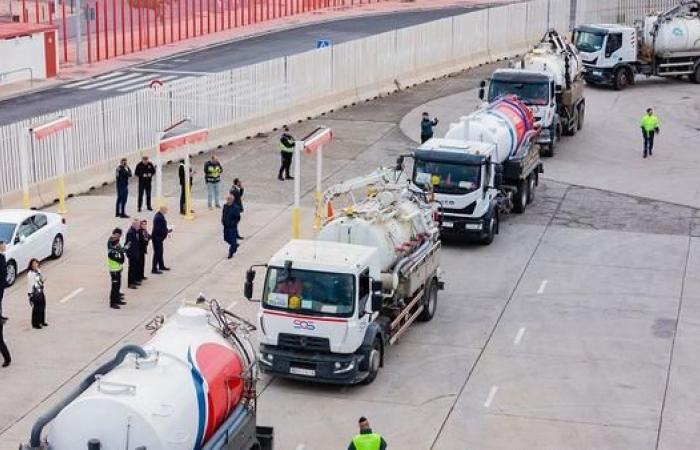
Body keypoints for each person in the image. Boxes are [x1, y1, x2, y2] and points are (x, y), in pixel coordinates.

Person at [107, 228, 127, 309]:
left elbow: (121, 254)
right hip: (114, 270)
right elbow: (120, 259)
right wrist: (120, 252)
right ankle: (113, 302)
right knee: (114, 287)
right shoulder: (112, 251)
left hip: (118, 269)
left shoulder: (115, 248)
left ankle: (117, 299)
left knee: (118, 285)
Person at [27, 259, 47, 329]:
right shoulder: (30, 274)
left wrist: (42, 281)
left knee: (42, 305)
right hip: (34, 292)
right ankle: (35, 323)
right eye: (34, 264)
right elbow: (31, 284)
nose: (35, 265)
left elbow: (40, 279)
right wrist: (30, 295)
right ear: (31, 265)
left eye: (36, 263)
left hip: (40, 290)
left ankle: (42, 321)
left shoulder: (38, 270)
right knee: (36, 308)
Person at [151, 205, 171, 274]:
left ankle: (161, 265)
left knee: (160, 252)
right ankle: (154, 268)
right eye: (166, 210)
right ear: (162, 210)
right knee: (157, 253)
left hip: (159, 238)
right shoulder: (158, 218)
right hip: (157, 238)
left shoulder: (160, 216)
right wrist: (167, 231)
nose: (166, 211)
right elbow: (159, 229)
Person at [221, 194, 241, 259]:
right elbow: (223, 214)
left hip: (232, 227)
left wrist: (233, 223)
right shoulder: (225, 206)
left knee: (232, 241)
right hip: (225, 226)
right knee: (226, 238)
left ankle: (231, 253)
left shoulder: (235, 208)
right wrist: (222, 220)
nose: (228, 201)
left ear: (232, 200)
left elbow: (238, 217)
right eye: (227, 199)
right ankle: (235, 245)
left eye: (229, 200)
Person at [125, 219, 142, 289]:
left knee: (135, 268)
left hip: (136, 253)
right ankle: (130, 283)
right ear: (134, 225)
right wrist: (129, 254)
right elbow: (128, 244)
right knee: (131, 269)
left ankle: (134, 280)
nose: (139, 226)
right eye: (138, 225)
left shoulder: (136, 231)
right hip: (132, 254)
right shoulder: (130, 233)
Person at [0, 241, 7, 321]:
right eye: (3, 245)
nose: (5, 246)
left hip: (2, 282)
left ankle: (1, 315)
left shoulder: (2, 256)